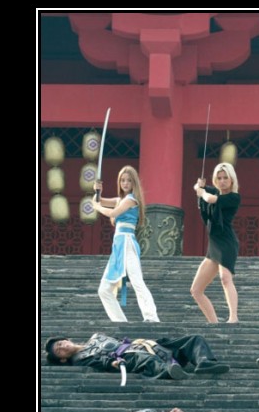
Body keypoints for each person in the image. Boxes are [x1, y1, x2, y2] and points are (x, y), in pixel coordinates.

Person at [92, 166, 159, 322]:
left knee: (137, 281)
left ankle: (152, 317)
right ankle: (120, 322)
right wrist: (97, 191)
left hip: (127, 243)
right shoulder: (119, 200)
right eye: (122, 180)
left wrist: (97, 207)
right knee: (104, 290)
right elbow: (98, 200)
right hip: (118, 246)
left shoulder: (131, 200)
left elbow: (111, 212)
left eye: (129, 180)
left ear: (134, 182)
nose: (125, 183)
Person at [44, 333, 229, 379]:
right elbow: (98, 361)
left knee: (192, 339)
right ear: (62, 359)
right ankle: (169, 371)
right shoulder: (79, 359)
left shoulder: (95, 337)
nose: (63, 347)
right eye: (59, 351)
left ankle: (204, 362)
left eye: (60, 343)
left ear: (66, 339)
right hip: (126, 357)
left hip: (142, 345)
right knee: (145, 359)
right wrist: (112, 363)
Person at [192, 162, 241, 323]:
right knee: (196, 290)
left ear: (232, 179)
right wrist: (199, 187)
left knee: (225, 278)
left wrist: (201, 192)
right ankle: (214, 324)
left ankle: (233, 318)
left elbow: (210, 199)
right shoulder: (213, 191)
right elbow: (200, 191)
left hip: (227, 242)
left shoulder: (233, 197)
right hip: (214, 243)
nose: (222, 181)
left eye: (225, 177)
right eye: (219, 178)